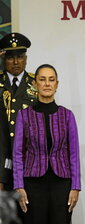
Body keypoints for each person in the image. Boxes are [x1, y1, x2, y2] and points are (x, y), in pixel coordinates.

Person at [12, 64, 81, 224]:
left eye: (51, 80)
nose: (47, 84)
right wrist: (19, 186)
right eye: (42, 79)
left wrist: (75, 187)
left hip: (62, 184)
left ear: (57, 84)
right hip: (32, 185)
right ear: (35, 84)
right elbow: (17, 154)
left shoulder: (67, 115)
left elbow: (74, 154)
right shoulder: (24, 115)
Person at [0, 32, 37, 190]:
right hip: (2, 164)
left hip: (30, 164)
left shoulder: (36, 84)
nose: (16, 62)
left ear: (26, 59)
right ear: (3, 59)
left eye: (20, 56)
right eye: (10, 57)